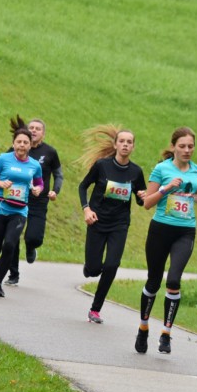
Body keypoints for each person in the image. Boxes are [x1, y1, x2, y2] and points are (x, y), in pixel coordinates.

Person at [136, 127, 197, 355]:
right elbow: (148, 203)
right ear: (174, 146)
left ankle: (166, 334)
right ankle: (143, 328)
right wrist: (166, 188)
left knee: (174, 280)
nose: (187, 150)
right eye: (182, 146)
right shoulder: (161, 169)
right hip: (160, 230)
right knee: (154, 281)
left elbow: (194, 196)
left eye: (190, 146)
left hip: (185, 232)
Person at [76, 125, 147, 324]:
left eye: (129, 142)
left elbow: (142, 200)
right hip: (97, 221)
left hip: (119, 224)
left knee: (112, 265)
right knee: (93, 268)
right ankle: (89, 268)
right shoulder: (102, 165)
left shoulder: (136, 172)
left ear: (133, 147)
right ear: (115, 145)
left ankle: (95, 309)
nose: (125, 145)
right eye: (122, 141)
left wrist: (143, 196)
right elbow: (83, 186)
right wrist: (86, 209)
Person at [0, 125, 44, 298]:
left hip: (19, 211)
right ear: (13, 143)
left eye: (25, 142)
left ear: (30, 145)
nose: (22, 145)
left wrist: (38, 189)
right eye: (19, 142)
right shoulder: (4, 159)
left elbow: (39, 183)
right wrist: (0, 184)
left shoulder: (34, 165)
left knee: (10, 244)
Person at [4, 116, 63, 286]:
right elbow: (3, 168)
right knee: (12, 237)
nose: (34, 130)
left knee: (34, 237)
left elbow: (58, 175)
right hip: (17, 199)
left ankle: (31, 248)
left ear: (43, 133)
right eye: (31, 127)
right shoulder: (16, 149)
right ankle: (13, 275)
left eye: (38, 128)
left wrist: (54, 190)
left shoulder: (50, 153)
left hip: (39, 201)